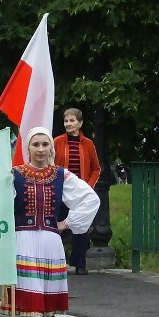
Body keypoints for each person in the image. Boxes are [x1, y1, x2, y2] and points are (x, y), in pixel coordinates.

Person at [3, 126, 99, 317]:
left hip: (50, 243)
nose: (41, 149)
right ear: (28, 148)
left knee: (48, 308)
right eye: (36, 144)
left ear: (51, 148)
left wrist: (66, 224)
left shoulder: (61, 175)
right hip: (23, 240)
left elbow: (90, 199)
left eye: (45, 144)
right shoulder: (14, 175)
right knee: (31, 308)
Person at [53, 108, 101, 275]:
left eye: (72, 121)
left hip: (80, 192)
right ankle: (56, 262)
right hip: (61, 190)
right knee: (58, 225)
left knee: (80, 227)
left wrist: (89, 187)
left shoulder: (88, 144)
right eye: (66, 121)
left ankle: (80, 264)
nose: (68, 124)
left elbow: (96, 168)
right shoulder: (57, 142)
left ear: (80, 123)